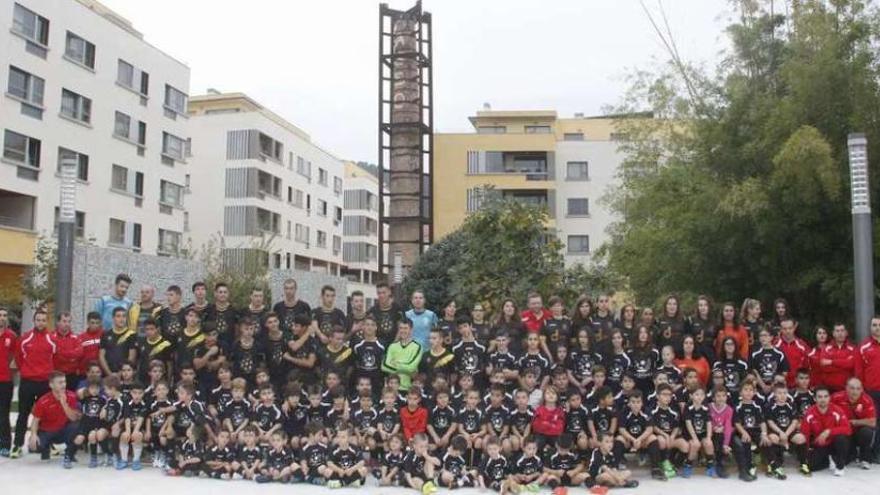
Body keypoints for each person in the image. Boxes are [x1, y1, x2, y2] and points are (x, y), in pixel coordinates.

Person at [12, 309, 56, 459]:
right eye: (38, 320)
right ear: (34, 320)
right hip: (28, 382)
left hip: (45, 383)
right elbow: (18, 359)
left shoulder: (52, 339)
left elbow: (55, 359)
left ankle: (46, 445)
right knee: (23, 414)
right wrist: (27, 371)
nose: (41, 323)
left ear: (47, 321)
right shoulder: (24, 338)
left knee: (46, 416)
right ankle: (17, 446)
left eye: (44, 320)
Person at [28, 372, 81, 468]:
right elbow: (35, 421)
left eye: (64, 382)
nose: (63, 385)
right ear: (51, 385)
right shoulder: (43, 400)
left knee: (77, 426)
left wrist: (64, 404)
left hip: (64, 431)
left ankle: (70, 453)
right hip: (47, 431)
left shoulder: (71, 396)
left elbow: (73, 418)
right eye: (60, 383)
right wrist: (33, 435)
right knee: (34, 447)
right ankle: (46, 449)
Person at [801, 386, 852, 476]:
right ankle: (828, 460)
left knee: (841, 438)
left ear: (829, 398)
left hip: (835, 444)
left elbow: (848, 429)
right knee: (809, 466)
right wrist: (806, 453)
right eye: (820, 397)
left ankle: (840, 466)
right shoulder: (809, 413)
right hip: (820, 445)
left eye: (825, 396)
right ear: (815, 399)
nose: (823, 399)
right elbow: (805, 435)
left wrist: (828, 431)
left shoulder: (837, 410)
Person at [831, 377, 876, 469]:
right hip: (844, 432)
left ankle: (865, 458)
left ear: (862, 389)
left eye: (858, 388)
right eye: (852, 388)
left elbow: (873, 422)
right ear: (846, 388)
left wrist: (854, 422)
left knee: (867, 431)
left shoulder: (867, 400)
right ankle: (851, 454)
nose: (855, 391)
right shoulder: (836, 397)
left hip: (858, 432)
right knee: (844, 460)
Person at [857, 316, 880, 462]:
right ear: (870, 327)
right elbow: (858, 372)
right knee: (873, 423)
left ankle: (878, 452)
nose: (877, 327)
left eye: (879, 325)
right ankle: (868, 454)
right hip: (871, 392)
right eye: (874, 325)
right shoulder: (863, 347)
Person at [382, 318, 422, 391]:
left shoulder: (417, 347)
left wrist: (396, 363)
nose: (403, 331)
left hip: (408, 389)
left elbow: (411, 367)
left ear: (411, 329)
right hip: (391, 390)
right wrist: (405, 366)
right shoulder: (392, 346)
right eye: (401, 328)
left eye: (405, 328)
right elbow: (384, 366)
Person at [775, 317, 811, 388]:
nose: (787, 331)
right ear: (781, 329)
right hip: (779, 386)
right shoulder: (775, 345)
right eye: (785, 329)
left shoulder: (802, 345)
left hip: (798, 386)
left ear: (794, 328)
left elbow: (808, 367)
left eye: (790, 328)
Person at [0, 307, 17, 457]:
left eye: (5, 315)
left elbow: (16, 357)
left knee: (3, 413)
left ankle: (5, 445)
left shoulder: (11, 336)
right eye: (0, 315)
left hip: (5, 381)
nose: (2, 318)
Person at [53, 312, 83, 391]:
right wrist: (71, 356)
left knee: (71, 400)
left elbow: (79, 353)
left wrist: (62, 353)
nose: (67, 324)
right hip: (56, 375)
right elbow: (55, 356)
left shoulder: (76, 338)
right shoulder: (51, 337)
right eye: (64, 321)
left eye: (69, 321)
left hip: (71, 376)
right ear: (58, 322)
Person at [371, 282, 405, 347]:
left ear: (389, 292)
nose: (381, 295)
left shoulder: (397, 309)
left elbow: (401, 329)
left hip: (395, 346)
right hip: (378, 347)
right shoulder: (373, 311)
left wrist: (393, 345)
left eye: (384, 292)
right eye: (379, 293)